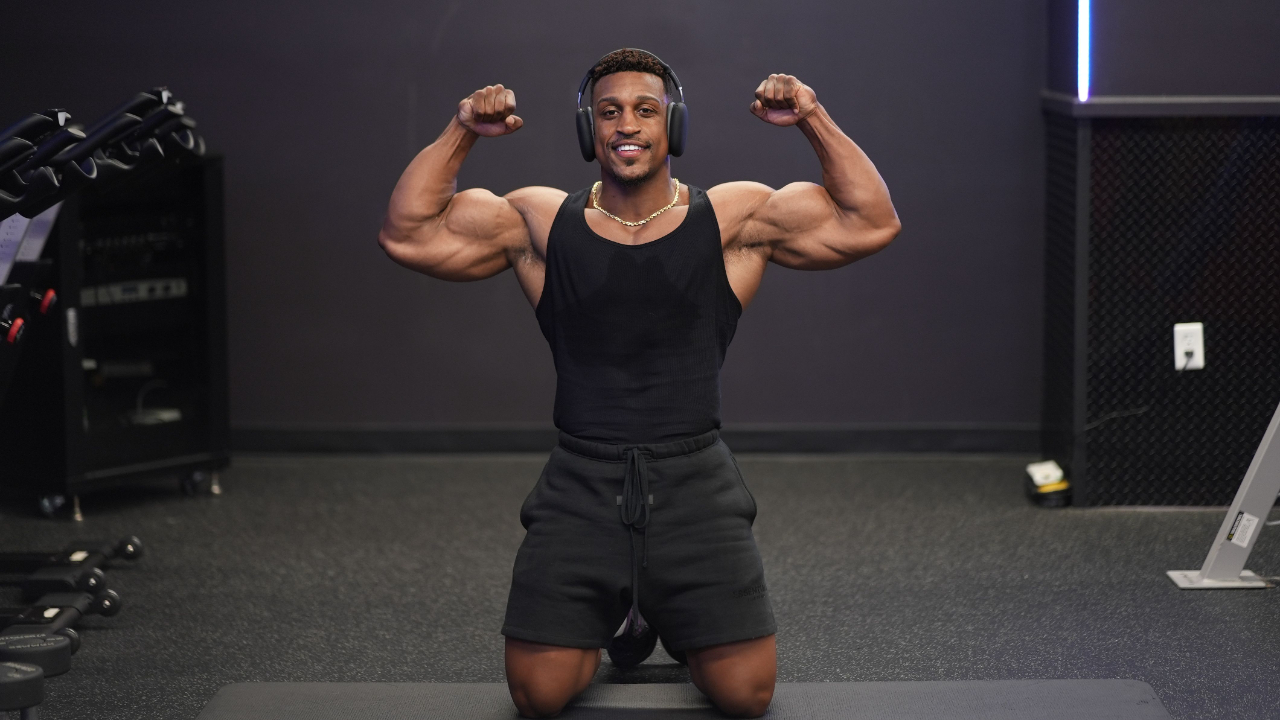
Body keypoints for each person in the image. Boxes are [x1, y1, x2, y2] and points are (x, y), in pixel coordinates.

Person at [379, 48, 900, 719]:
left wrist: (811, 116)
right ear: (588, 129)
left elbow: (870, 220)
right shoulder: (541, 222)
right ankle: (621, 607)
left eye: (646, 110)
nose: (627, 124)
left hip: (697, 483)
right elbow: (409, 233)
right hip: (580, 483)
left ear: (672, 125)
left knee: (745, 696)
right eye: (609, 112)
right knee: (538, 696)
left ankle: (668, 612)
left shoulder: (733, 219)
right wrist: (462, 131)